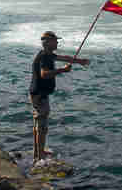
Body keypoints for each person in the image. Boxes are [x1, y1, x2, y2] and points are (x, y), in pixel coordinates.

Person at [29, 31, 90, 163]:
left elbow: (64, 58)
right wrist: (62, 70)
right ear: (48, 42)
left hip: (38, 94)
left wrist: (79, 61)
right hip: (40, 95)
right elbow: (44, 74)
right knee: (42, 126)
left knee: (38, 125)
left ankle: (38, 151)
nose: (57, 42)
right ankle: (40, 156)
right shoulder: (45, 57)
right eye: (55, 41)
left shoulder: (47, 55)